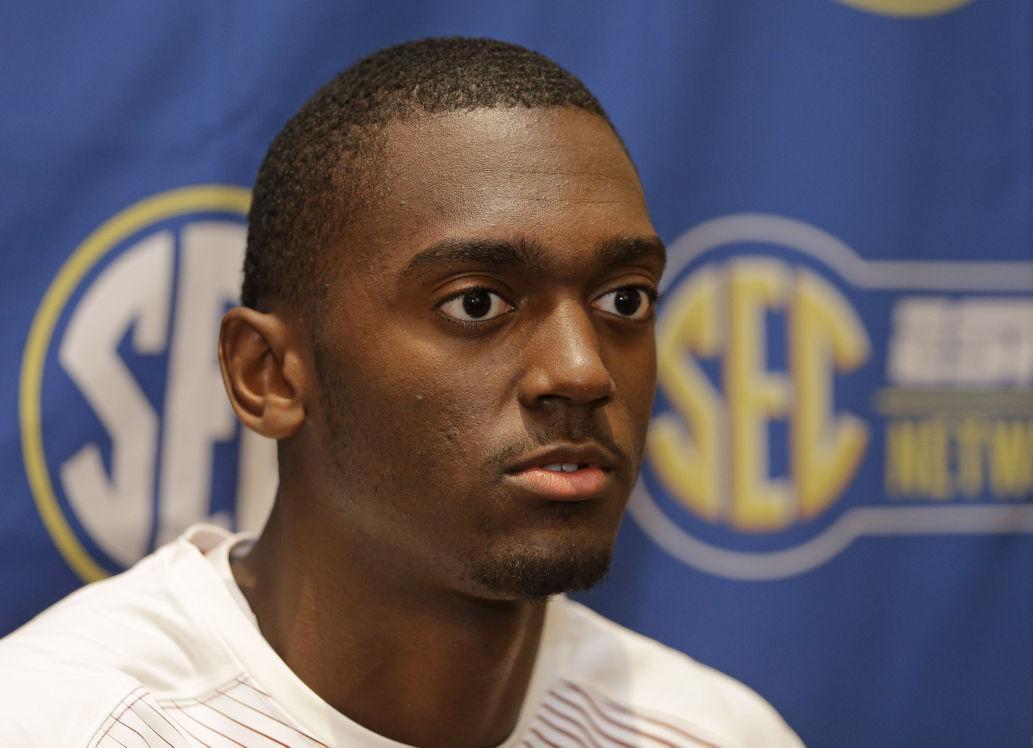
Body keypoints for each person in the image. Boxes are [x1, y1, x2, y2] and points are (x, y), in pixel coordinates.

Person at [0, 38, 802, 747]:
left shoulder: (711, 730)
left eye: (622, 299)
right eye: (476, 303)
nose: (582, 371)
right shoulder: (60, 722)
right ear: (268, 374)